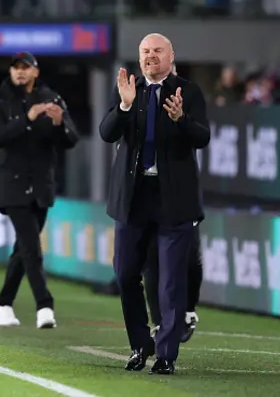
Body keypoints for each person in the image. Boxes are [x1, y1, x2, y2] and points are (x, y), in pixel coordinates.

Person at [99, 33, 210, 375]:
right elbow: (107, 132)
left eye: (157, 51)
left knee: (170, 280)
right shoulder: (129, 88)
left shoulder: (188, 92)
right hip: (133, 198)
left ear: (171, 55)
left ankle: (166, 355)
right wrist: (125, 106)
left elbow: (202, 137)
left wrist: (181, 120)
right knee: (125, 272)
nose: (151, 56)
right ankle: (139, 345)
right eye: (145, 51)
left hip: (173, 198)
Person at [0, 51, 79, 329]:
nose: (20, 72)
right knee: (32, 247)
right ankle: (44, 306)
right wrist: (27, 118)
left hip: (41, 184)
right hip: (12, 184)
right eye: (15, 68)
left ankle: (3, 305)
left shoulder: (51, 97)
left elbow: (71, 139)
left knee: (23, 248)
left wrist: (60, 123)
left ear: (36, 72)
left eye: (25, 68)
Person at [144, 224, 203, 343]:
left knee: (191, 258)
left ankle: (188, 310)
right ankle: (158, 322)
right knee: (152, 259)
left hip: (184, 211)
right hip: (152, 211)